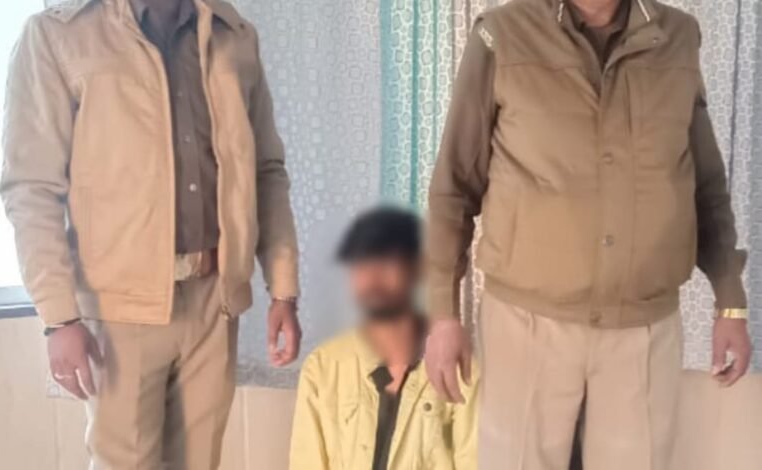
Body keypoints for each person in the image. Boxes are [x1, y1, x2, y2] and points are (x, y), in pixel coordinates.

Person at [424, 0, 752, 469]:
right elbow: (454, 186)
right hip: (526, 325)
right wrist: (442, 314)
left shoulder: (678, 36)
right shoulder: (502, 35)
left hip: (644, 327)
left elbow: (706, 183)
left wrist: (730, 301)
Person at [0, 0, 301, 468]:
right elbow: (32, 187)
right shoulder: (59, 35)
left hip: (214, 300)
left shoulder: (233, 34)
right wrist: (59, 319)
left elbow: (265, 170)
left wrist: (283, 289)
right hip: (119, 309)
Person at [290, 207, 478, 470]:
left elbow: (475, 460)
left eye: (387, 261)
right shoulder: (323, 368)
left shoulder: (460, 368)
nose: (373, 277)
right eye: (362, 264)